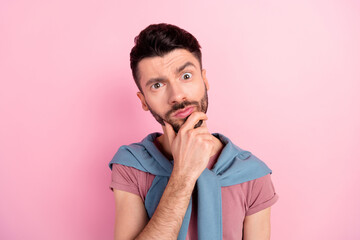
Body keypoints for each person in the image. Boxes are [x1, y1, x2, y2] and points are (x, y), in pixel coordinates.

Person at [108, 23, 278, 240]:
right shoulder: (131, 165)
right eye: (157, 85)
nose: (177, 95)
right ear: (143, 100)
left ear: (204, 80)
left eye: (186, 76)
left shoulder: (252, 173)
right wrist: (183, 175)